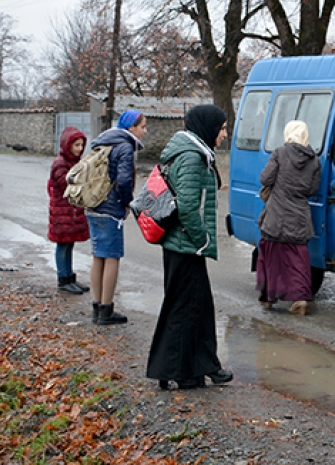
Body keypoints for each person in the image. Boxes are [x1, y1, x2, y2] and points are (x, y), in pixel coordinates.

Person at [146, 105, 234, 390]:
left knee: (192, 307)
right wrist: (203, 240)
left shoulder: (195, 153)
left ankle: (193, 369)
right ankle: (184, 370)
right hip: (185, 245)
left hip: (183, 245)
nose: (224, 134)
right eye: (221, 128)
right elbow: (186, 207)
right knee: (188, 308)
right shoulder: (191, 156)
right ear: (208, 127)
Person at [86, 109, 146, 326]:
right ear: (131, 128)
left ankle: (96, 306)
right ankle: (106, 309)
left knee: (98, 256)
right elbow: (123, 180)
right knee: (111, 257)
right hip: (110, 209)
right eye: (142, 127)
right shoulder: (124, 146)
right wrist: (126, 202)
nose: (145, 131)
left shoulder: (103, 141)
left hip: (92, 203)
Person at [256, 120, 322, 315]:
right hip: (300, 216)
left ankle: (268, 297)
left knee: (270, 255)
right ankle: (300, 298)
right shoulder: (314, 160)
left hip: (276, 214)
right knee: (298, 259)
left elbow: (265, 179)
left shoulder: (279, 153)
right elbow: (312, 189)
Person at [48, 126, 91, 295]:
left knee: (69, 244)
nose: (80, 149)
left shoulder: (73, 162)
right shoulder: (61, 164)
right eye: (76, 145)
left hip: (70, 212)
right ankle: (63, 279)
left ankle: (69, 277)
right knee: (63, 245)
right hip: (63, 213)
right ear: (68, 145)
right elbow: (68, 186)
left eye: (81, 145)